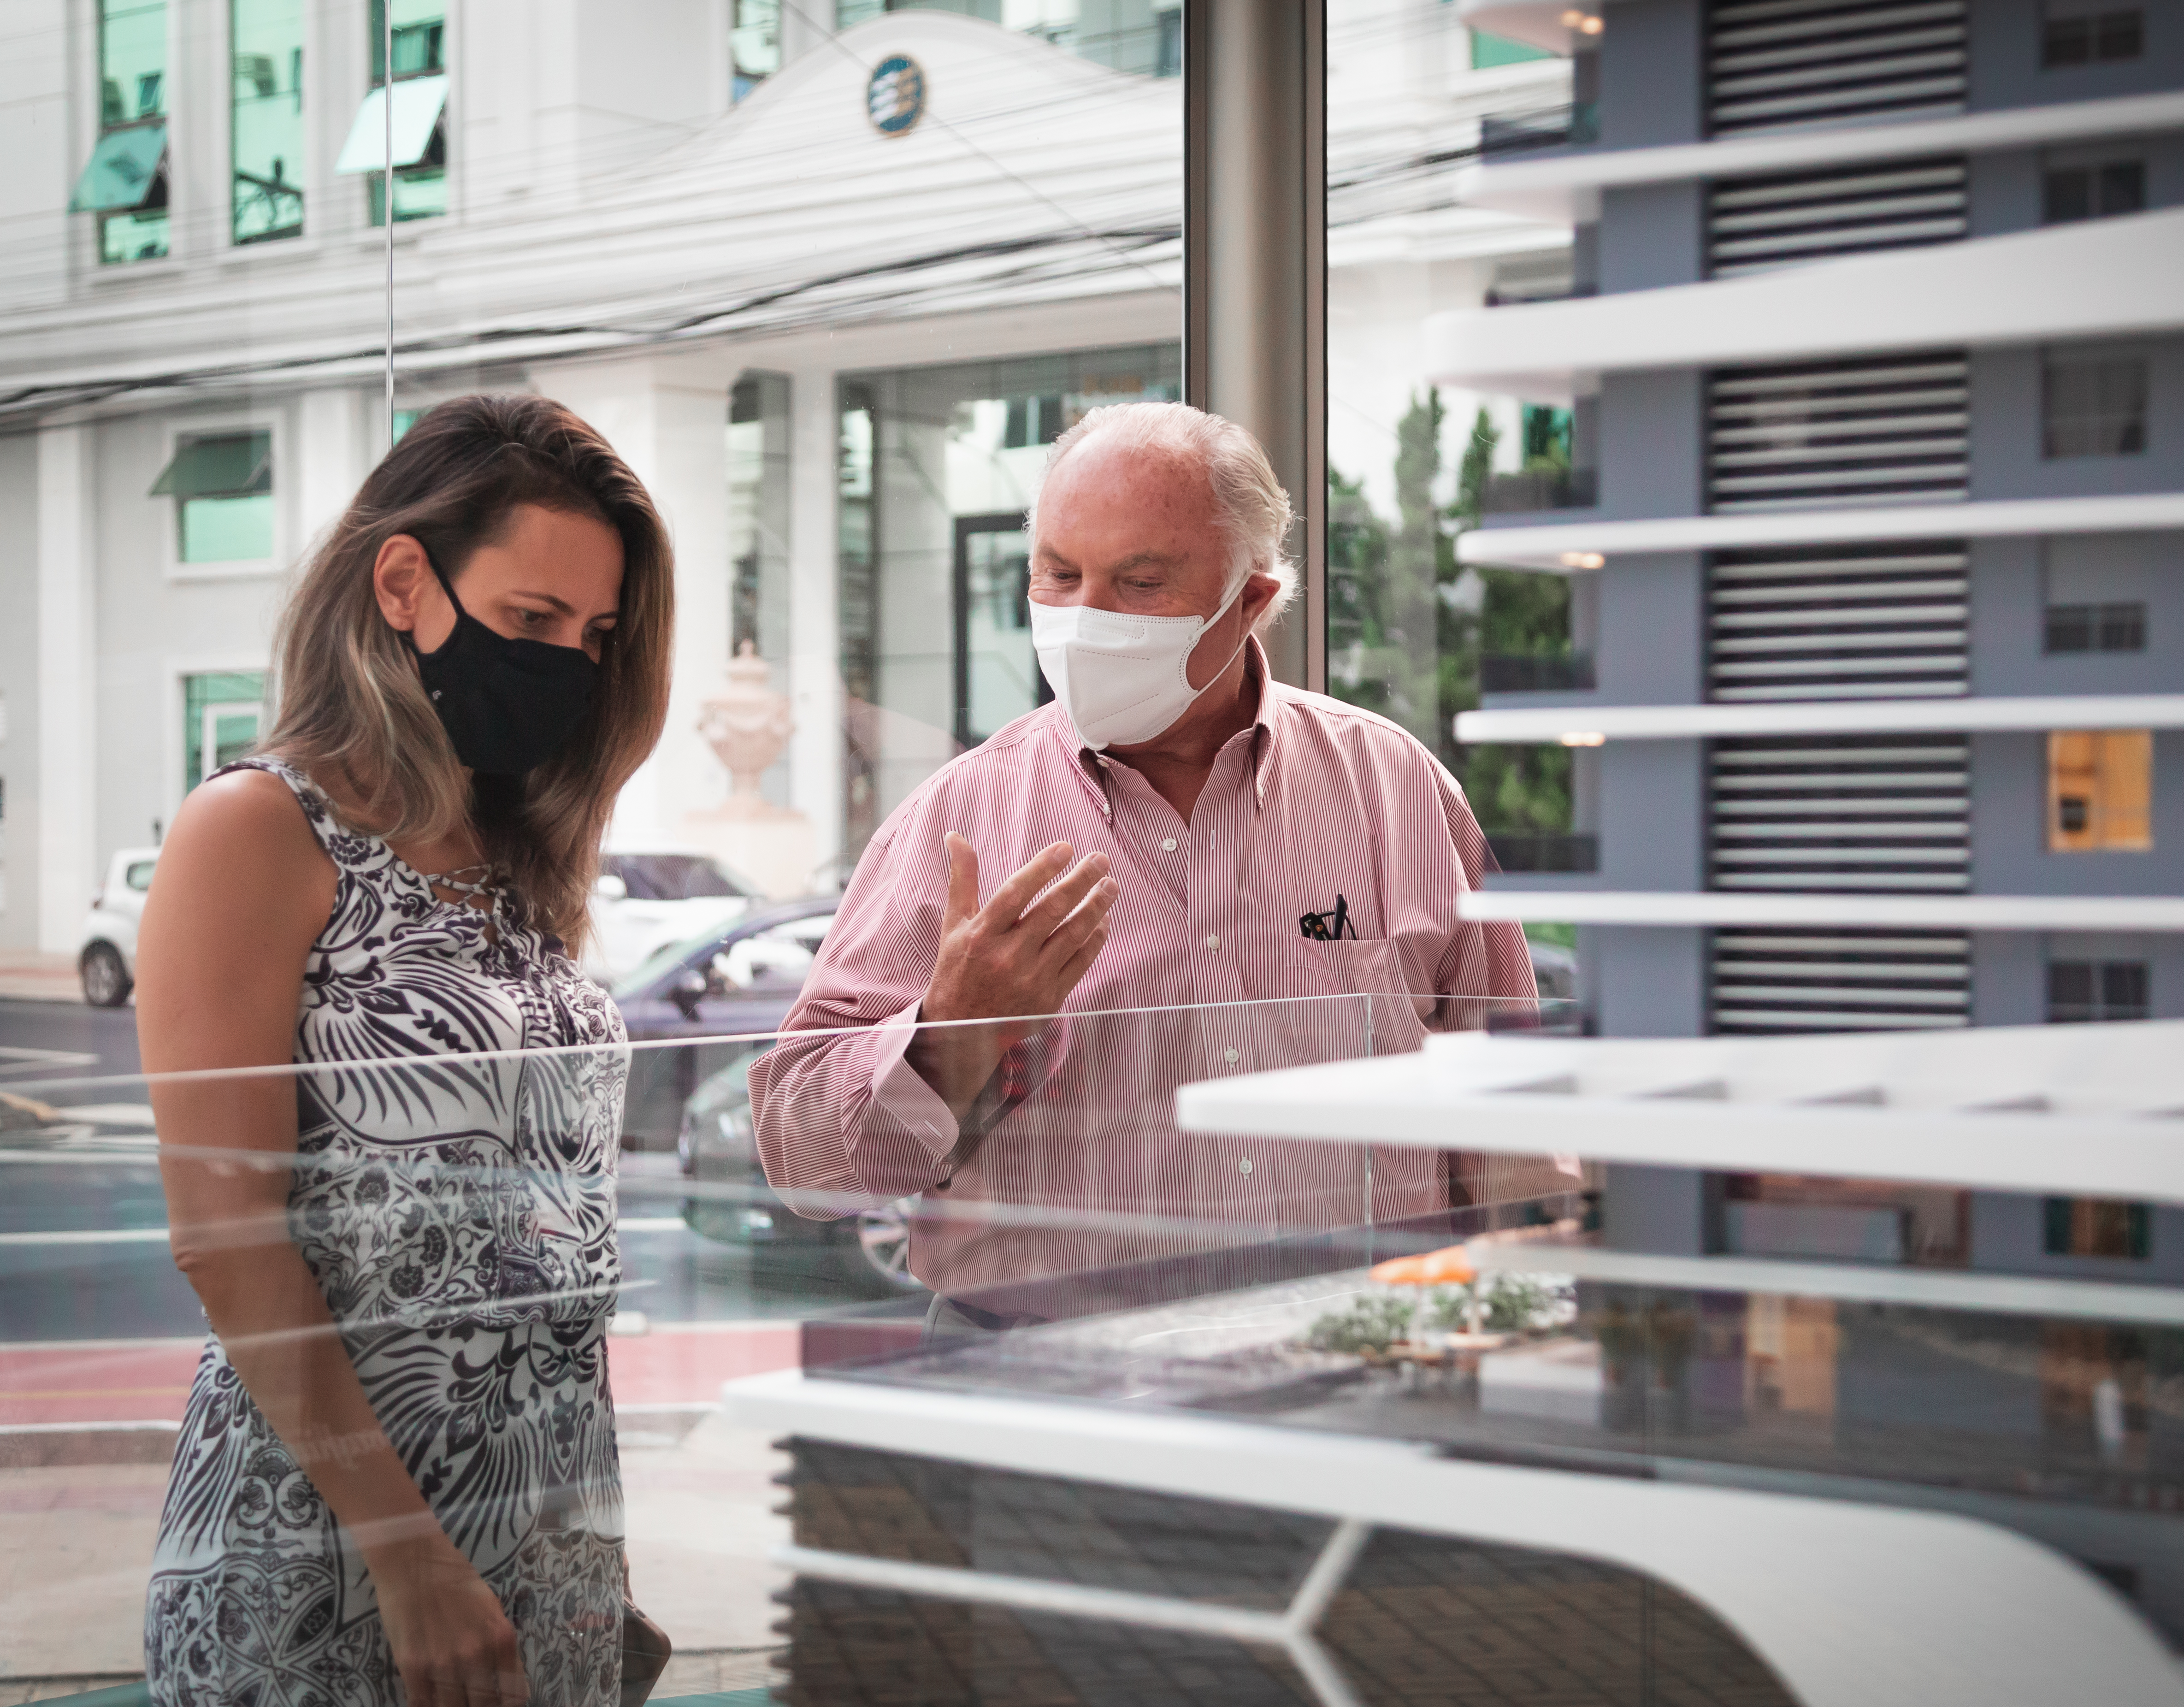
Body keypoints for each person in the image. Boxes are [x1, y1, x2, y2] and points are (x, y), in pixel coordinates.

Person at [750, 401, 1563, 1329]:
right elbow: (802, 1161)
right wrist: (948, 1033)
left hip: (1359, 1364)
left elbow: (1512, 1110)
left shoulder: (1396, 791)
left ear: (1251, 600)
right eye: (1059, 574)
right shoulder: (957, 820)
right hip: (1046, 1395)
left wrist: (1526, 1338)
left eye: (1137, 582)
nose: (1084, 617)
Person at [137, 395, 673, 1707]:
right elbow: (224, 1233)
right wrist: (408, 1554)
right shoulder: (258, 830)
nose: (567, 665)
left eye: (595, 637)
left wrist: (571, 1551)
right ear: (402, 584)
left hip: (545, 1538)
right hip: (331, 1545)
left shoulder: (515, 850)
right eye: (533, 621)